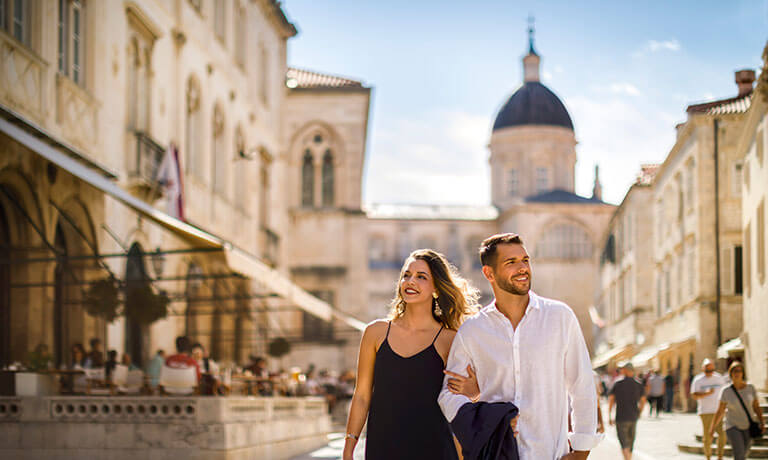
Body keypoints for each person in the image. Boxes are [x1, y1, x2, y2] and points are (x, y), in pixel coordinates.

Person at [438, 233, 600, 459]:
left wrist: (581, 451)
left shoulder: (560, 317)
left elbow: (582, 386)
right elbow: (448, 394)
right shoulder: (472, 331)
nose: (523, 268)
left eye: (525, 260)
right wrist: (485, 419)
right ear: (489, 273)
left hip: (550, 454)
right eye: (511, 262)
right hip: (496, 454)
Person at [342, 249, 479, 460]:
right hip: (383, 448)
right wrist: (349, 446)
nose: (410, 281)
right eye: (406, 275)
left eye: (421, 277)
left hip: (435, 449)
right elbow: (361, 396)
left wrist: (474, 390)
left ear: (436, 287)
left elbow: (462, 400)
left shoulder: (449, 339)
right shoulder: (376, 333)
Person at [709, 361, 765, 460]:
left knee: (744, 453)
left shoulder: (750, 388)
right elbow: (720, 411)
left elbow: (756, 407)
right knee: (739, 453)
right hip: (732, 426)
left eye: (739, 371)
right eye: (734, 371)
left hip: (748, 426)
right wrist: (712, 428)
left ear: (743, 373)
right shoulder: (725, 391)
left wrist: (762, 422)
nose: (737, 373)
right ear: (730, 374)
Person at [608, 362, 646, 460]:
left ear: (625, 370)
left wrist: (609, 415)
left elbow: (611, 400)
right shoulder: (638, 384)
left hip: (621, 417)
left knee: (624, 443)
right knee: (630, 442)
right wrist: (639, 412)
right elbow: (643, 401)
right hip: (633, 416)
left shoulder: (618, 383)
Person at [691, 358, 727, 460]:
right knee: (707, 436)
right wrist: (707, 393)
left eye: (711, 370)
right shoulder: (698, 380)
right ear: (703, 369)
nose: (709, 373)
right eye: (707, 370)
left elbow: (725, 393)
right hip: (705, 412)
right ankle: (708, 457)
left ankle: (720, 456)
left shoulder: (719, 378)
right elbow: (694, 395)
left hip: (718, 411)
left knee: (722, 435)